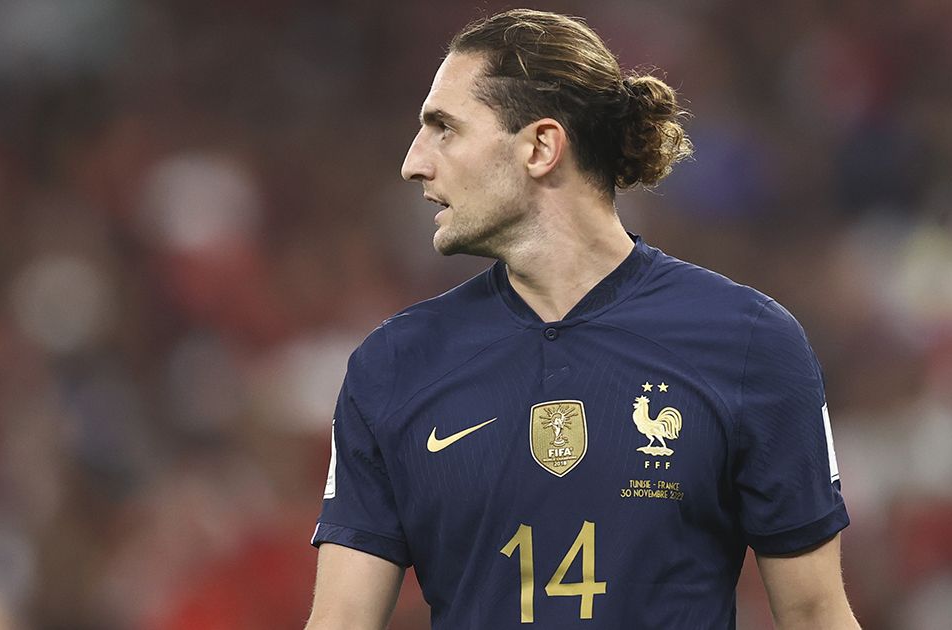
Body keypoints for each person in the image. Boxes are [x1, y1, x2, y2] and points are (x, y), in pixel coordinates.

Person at [306, 9, 858, 629]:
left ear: (541, 146)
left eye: (444, 128)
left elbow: (814, 614)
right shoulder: (392, 366)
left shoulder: (752, 344)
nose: (413, 162)